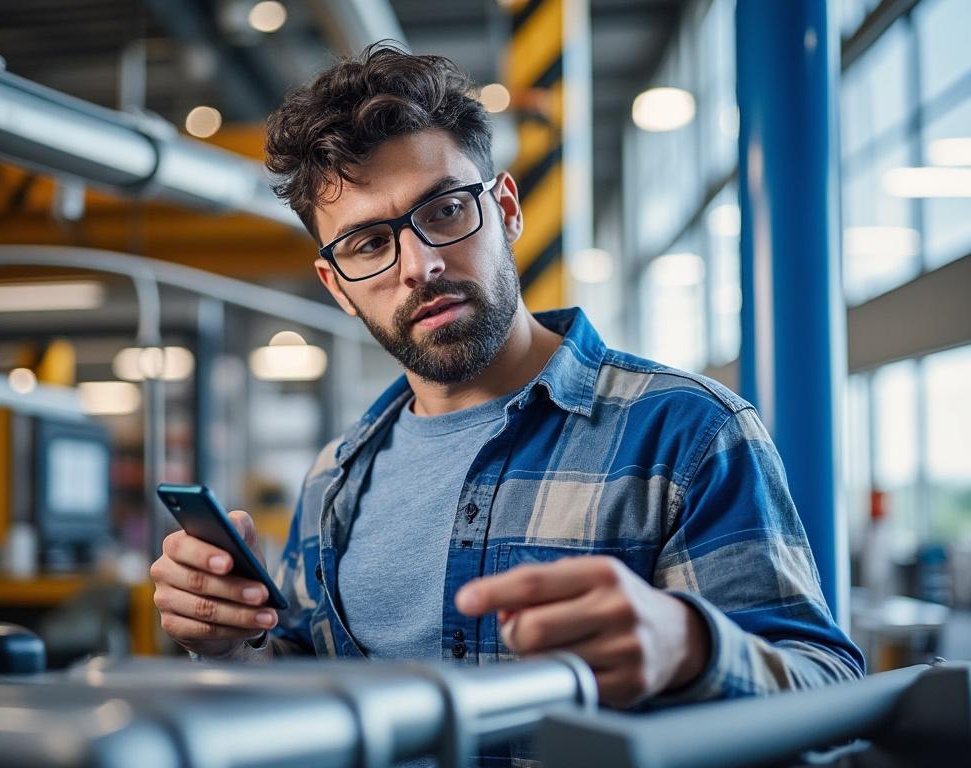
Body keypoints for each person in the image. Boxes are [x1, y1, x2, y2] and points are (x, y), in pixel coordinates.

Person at [150, 45, 864, 715]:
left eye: (446, 210)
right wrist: (233, 642)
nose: (418, 265)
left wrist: (691, 646)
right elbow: (312, 693)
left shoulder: (688, 433)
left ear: (508, 209)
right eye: (370, 242)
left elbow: (825, 688)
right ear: (336, 287)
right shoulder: (332, 479)